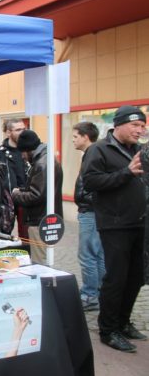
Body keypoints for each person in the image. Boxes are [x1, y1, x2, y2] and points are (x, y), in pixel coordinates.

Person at [83, 105, 148, 352]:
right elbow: (90, 182)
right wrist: (126, 172)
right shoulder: (99, 149)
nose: (140, 130)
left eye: (142, 126)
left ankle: (123, 322)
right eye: (135, 125)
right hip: (115, 224)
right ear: (118, 124)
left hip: (140, 222)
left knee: (136, 278)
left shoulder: (140, 150)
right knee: (116, 278)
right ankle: (108, 330)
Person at [11, 130, 63, 265]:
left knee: (40, 261)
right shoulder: (45, 159)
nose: (22, 157)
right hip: (44, 217)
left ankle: (46, 285)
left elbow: (36, 195)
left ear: (28, 150)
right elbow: (41, 188)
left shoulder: (42, 163)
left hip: (39, 219)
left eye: (22, 152)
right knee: (42, 258)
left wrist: (16, 195)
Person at [72, 122, 105, 312]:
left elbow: (93, 184)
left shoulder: (93, 153)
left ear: (86, 136)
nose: (73, 140)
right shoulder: (95, 153)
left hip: (90, 211)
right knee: (98, 254)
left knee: (88, 255)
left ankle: (90, 295)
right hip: (94, 210)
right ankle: (98, 292)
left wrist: (85, 199)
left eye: (76, 136)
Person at [0, 119, 29, 237]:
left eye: (24, 129)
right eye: (18, 130)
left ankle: (26, 255)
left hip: (25, 199)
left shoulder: (28, 151)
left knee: (26, 235)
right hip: (5, 201)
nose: (22, 132)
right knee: (3, 235)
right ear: (8, 133)